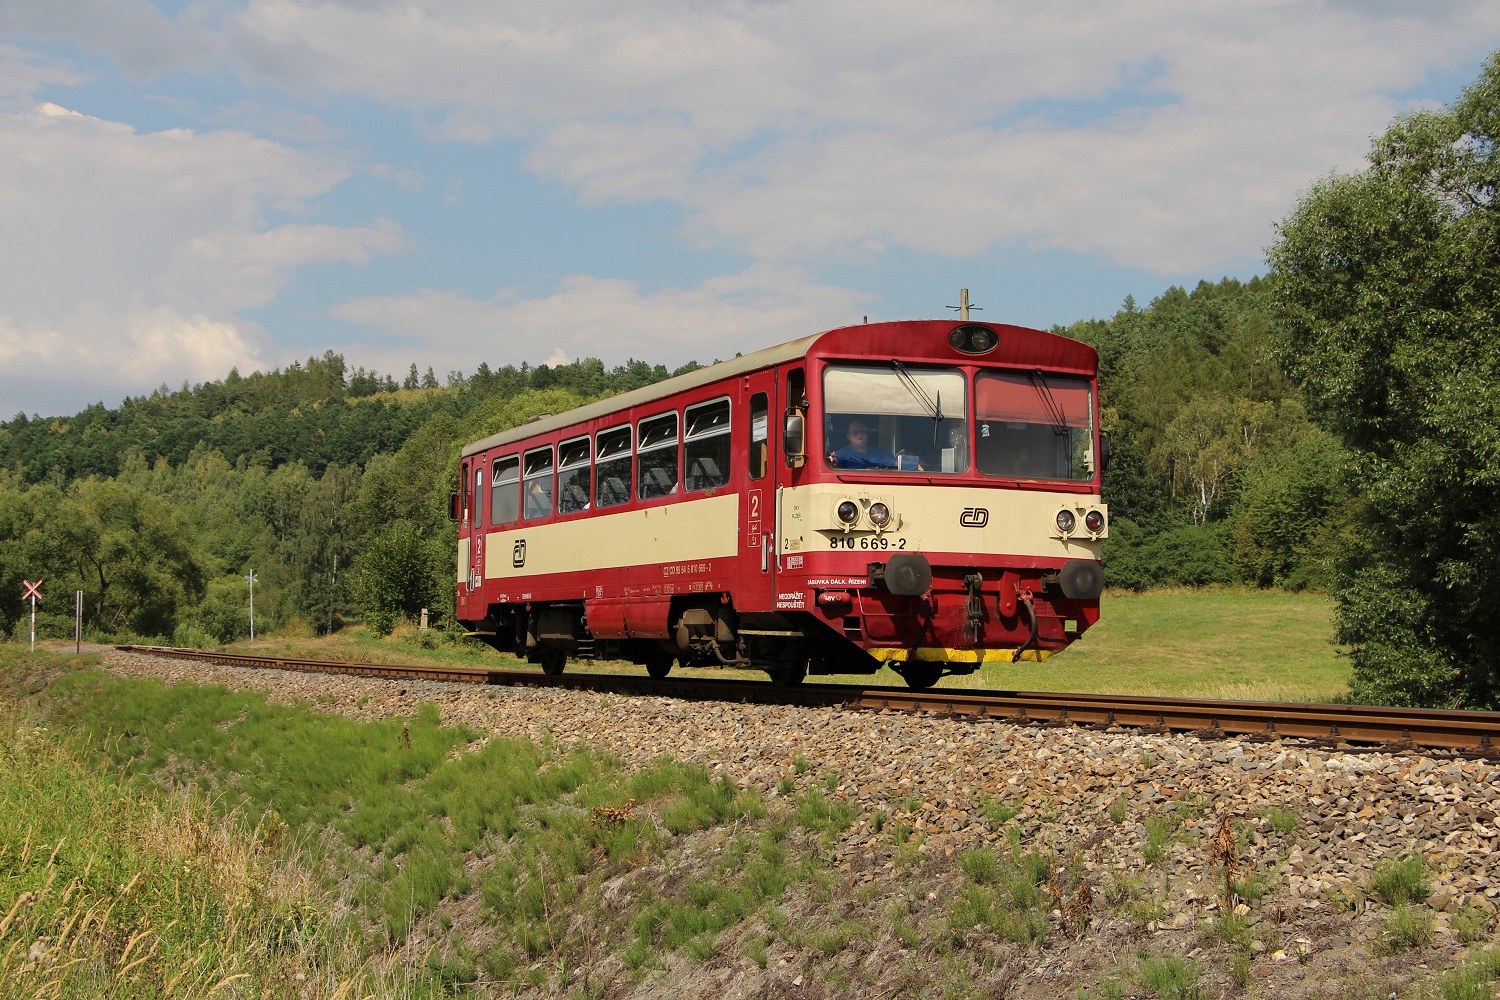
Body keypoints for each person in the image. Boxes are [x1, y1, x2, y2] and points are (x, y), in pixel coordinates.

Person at [828, 419, 899, 469]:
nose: (860, 435)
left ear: (867, 434)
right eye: (855, 432)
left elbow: (896, 463)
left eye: (863, 432)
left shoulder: (879, 453)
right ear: (849, 436)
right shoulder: (840, 456)